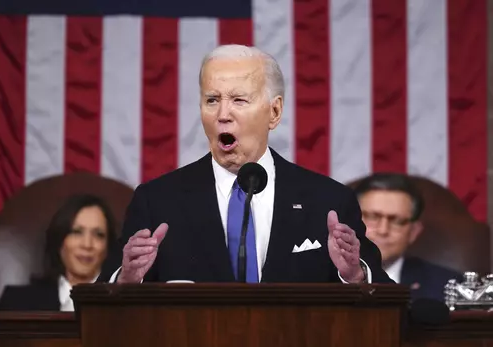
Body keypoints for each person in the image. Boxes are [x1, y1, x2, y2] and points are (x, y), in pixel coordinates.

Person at [97, 44, 392, 285]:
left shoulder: (327, 201)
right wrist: (127, 278)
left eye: (238, 100)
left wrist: (354, 275)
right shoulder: (157, 201)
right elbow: (104, 297)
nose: (222, 114)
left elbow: (383, 295)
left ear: (274, 112)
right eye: (212, 100)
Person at [0, 194, 117, 311]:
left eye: (98, 235)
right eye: (76, 232)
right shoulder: (15, 302)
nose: (87, 244)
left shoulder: (122, 305)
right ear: (59, 241)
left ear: (108, 247)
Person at [354, 173, 462, 301]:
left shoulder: (448, 287)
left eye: (397, 221)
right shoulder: (324, 276)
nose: (383, 230)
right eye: (372, 217)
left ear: (414, 232)